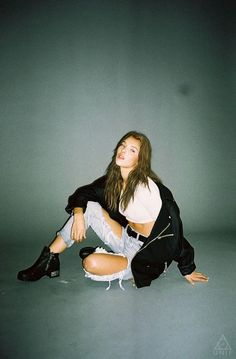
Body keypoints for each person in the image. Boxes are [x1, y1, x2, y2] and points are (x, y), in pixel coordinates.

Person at [17, 131, 208, 289]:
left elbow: (172, 230)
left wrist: (187, 267)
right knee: (88, 207)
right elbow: (85, 193)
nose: (123, 151)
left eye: (132, 150)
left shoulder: (147, 188)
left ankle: (109, 257)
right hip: (126, 237)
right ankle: (49, 260)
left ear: (140, 159)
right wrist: (78, 215)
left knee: (90, 263)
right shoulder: (115, 181)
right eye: (123, 145)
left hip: (144, 254)